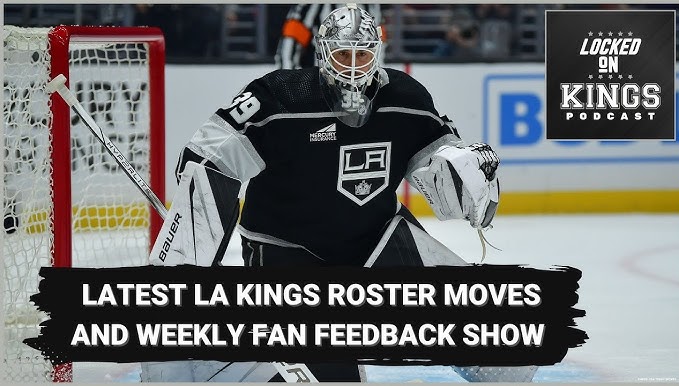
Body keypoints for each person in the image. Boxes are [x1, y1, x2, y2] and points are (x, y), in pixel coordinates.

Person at [143, 4, 532, 383]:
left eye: (362, 54)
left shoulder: (406, 98)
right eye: (343, 53)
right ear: (323, 52)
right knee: (333, 378)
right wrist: (187, 257)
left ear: (377, 53)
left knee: (497, 344)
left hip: (375, 243)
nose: (352, 65)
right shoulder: (280, 97)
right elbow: (205, 155)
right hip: (286, 255)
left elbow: (440, 160)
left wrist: (467, 175)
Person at [274, 3, 384, 69]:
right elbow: (288, 48)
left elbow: (378, 46)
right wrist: (291, 87)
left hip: (362, 82)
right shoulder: (312, 5)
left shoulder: (372, 5)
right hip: (318, 87)